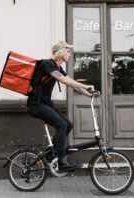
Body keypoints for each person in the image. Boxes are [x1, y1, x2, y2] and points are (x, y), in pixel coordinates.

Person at [27, 41, 94, 170]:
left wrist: (88, 93)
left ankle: (52, 154)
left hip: (46, 104)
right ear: (60, 52)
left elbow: (70, 82)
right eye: (67, 51)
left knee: (68, 124)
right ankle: (62, 161)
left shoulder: (58, 68)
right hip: (36, 104)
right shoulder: (47, 64)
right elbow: (63, 80)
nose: (69, 54)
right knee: (61, 124)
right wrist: (85, 85)